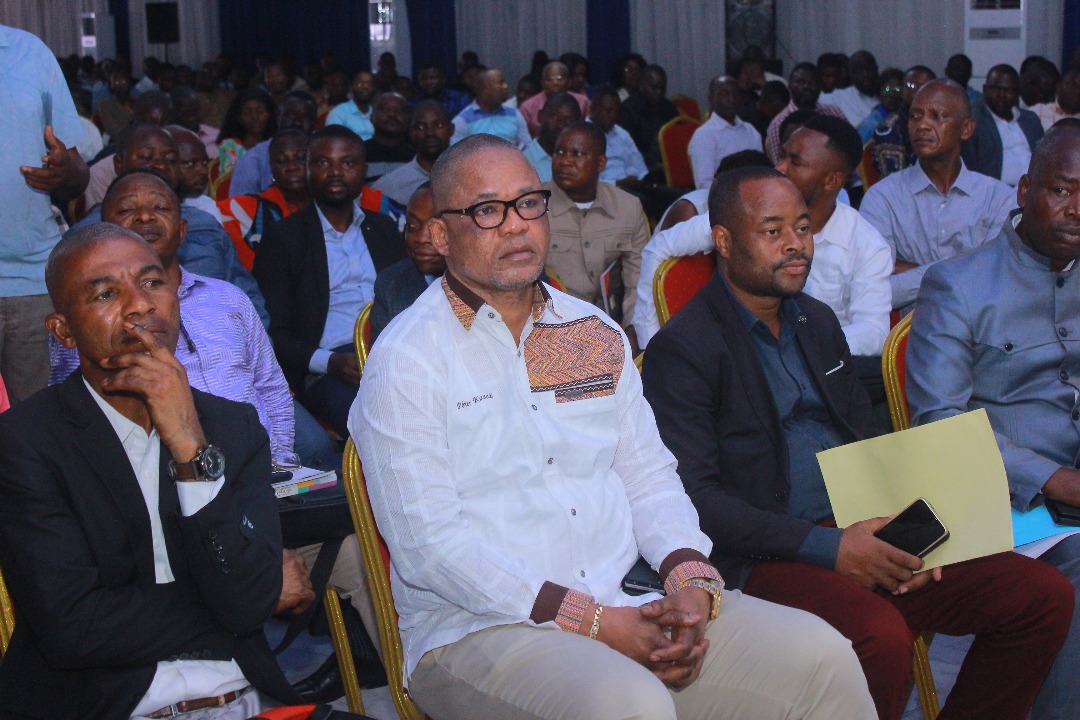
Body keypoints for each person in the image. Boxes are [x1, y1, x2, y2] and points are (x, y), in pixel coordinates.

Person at [349, 132, 877, 720]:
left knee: (821, 657)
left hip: (628, 596)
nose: (517, 225)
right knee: (629, 704)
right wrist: (594, 622)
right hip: (479, 628)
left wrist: (689, 576)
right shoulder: (411, 359)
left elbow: (648, 476)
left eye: (529, 203)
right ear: (441, 235)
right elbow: (432, 549)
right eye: (488, 210)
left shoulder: (589, 332)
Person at [641, 164, 1074, 720]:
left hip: (861, 525)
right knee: (879, 634)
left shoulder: (816, 321)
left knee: (1040, 596)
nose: (796, 244)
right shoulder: (685, 349)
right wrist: (832, 548)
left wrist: (912, 534)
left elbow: (865, 438)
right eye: (773, 231)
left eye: (803, 228)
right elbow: (696, 500)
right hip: (766, 551)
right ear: (723, 241)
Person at [0, 222, 313, 719]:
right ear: (63, 331)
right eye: (107, 293)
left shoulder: (233, 426)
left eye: (152, 282)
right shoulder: (27, 442)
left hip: (249, 700)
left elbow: (248, 592)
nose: (141, 305)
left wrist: (189, 445)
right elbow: (74, 629)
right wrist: (245, 601)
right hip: (111, 706)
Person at [906, 118, 1080, 720]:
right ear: (1025, 189)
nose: (1076, 209)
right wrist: (1054, 479)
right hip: (999, 500)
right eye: (1061, 190)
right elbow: (939, 425)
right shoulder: (957, 285)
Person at [254, 125, 405, 437]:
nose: (336, 172)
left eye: (347, 163)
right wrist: (331, 362)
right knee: (382, 425)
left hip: (394, 357)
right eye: (323, 162)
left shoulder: (385, 230)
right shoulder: (284, 238)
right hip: (329, 368)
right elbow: (273, 332)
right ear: (309, 169)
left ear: (364, 171)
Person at [69, 123, 270, 327]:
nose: (160, 165)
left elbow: (248, 295)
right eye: (146, 157)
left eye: (171, 160)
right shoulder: (85, 237)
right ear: (119, 163)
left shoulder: (205, 223)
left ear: (182, 229)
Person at [860, 79, 1015, 311]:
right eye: (915, 116)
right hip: (912, 331)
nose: (922, 125)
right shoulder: (882, 198)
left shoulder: (998, 198)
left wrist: (910, 270)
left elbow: (996, 281)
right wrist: (967, 264)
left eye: (937, 116)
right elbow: (874, 292)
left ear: (966, 129)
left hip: (983, 329)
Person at [0, 24, 89, 405]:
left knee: (38, 425)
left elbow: (78, 173)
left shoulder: (29, 52)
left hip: (33, 281)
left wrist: (65, 172)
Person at [370, 184, 444, 341]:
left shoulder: (487, 282)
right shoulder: (391, 284)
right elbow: (382, 354)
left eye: (436, 227)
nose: (421, 238)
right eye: (412, 225)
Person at [962, 64, 1044, 185]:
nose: (1001, 95)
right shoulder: (974, 122)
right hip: (994, 192)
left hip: (1033, 190)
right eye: (995, 89)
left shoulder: (1030, 120)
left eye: (1008, 91)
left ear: (1017, 93)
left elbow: (1043, 158)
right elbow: (969, 170)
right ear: (985, 89)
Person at [230, 91, 318, 197]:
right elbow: (240, 205)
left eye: (305, 118)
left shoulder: (324, 154)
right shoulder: (253, 160)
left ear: (315, 123)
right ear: (278, 117)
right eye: (290, 116)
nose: (297, 123)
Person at [372, 100, 454, 210]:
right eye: (420, 127)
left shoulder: (470, 175)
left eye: (438, 125)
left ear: (451, 129)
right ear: (411, 132)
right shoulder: (388, 186)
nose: (430, 132)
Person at [688, 76, 763, 189]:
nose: (731, 99)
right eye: (724, 94)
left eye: (735, 94)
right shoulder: (704, 135)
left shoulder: (750, 130)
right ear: (711, 99)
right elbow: (704, 184)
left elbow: (761, 170)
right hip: (723, 196)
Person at [765, 63, 846, 162]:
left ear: (820, 86)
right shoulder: (779, 123)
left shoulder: (834, 112)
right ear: (789, 85)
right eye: (800, 82)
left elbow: (848, 147)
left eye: (812, 82)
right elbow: (780, 163)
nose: (806, 86)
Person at [868, 65, 935, 180]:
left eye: (927, 87)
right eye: (912, 86)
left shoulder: (941, 124)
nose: (920, 91)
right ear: (903, 91)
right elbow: (895, 182)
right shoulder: (888, 130)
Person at [617, 64, 679, 173]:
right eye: (654, 88)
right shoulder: (628, 110)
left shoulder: (669, 108)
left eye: (662, 89)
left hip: (667, 165)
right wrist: (653, 164)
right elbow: (628, 150)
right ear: (641, 84)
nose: (659, 92)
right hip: (639, 168)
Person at [450, 68, 530, 148]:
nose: (505, 86)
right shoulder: (463, 121)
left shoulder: (515, 114)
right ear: (486, 88)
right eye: (501, 82)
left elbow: (527, 146)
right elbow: (457, 154)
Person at [590, 85, 648, 190]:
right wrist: (618, 183)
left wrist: (644, 179)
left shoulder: (622, 134)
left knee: (670, 195)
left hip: (632, 187)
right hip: (605, 191)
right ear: (593, 109)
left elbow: (639, 165)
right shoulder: (582, 136)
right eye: (608, 111)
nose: (613, 116)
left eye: (616, 112)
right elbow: (588, 182)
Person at [518, 61, 591, 137]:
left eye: (559, 79)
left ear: (568, 82)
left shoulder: (583, 101)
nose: (555, 83)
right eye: (549, 79)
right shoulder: (527, 107)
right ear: (542, 83)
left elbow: (588, 129)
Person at [215, 88, 277, 177]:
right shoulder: (229, 146)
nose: (254, 116)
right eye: (247, 112)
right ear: (239, 117)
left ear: (269, 114)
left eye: (260, 112)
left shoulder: (277, 144)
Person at [524, 93, 582, 182]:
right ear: (540, 116)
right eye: (553, 117)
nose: (560, 125)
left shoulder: (581, 163)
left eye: (569, 121)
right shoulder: (521, 160)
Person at [820, 50, 880, 129]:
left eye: (869, 69)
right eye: (859, 70)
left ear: (876, 70)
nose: (865, 74)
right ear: (850, 74)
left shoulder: (887, 94)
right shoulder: (839, 97)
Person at [363, 93, 415, 183]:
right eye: (385, 109)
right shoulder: (359, 154)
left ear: (408, 119)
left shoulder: (417, 157)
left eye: (399, 110)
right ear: (371, 118)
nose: (392, 114)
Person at [326, 70, 376, 141]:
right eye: (359, 84)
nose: (365, 87)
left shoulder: (377, 113)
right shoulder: (338, 113)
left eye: (369, 84)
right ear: (351, 87)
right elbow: (333, 142)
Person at [857, 68, 903, 143]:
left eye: (897, 89)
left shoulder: (905, 117)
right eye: (887, 89)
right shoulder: (870, 124)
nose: (892, 93)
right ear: (879, 90)